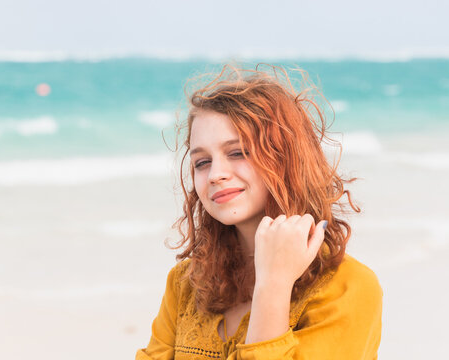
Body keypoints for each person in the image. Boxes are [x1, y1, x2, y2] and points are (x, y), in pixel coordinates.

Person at [136, 64, 383, 359]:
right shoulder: (186, 283)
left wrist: (273, 285)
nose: (215, 174)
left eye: (237, 152)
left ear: (286, 158)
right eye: (202, 162)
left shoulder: (349, 287)